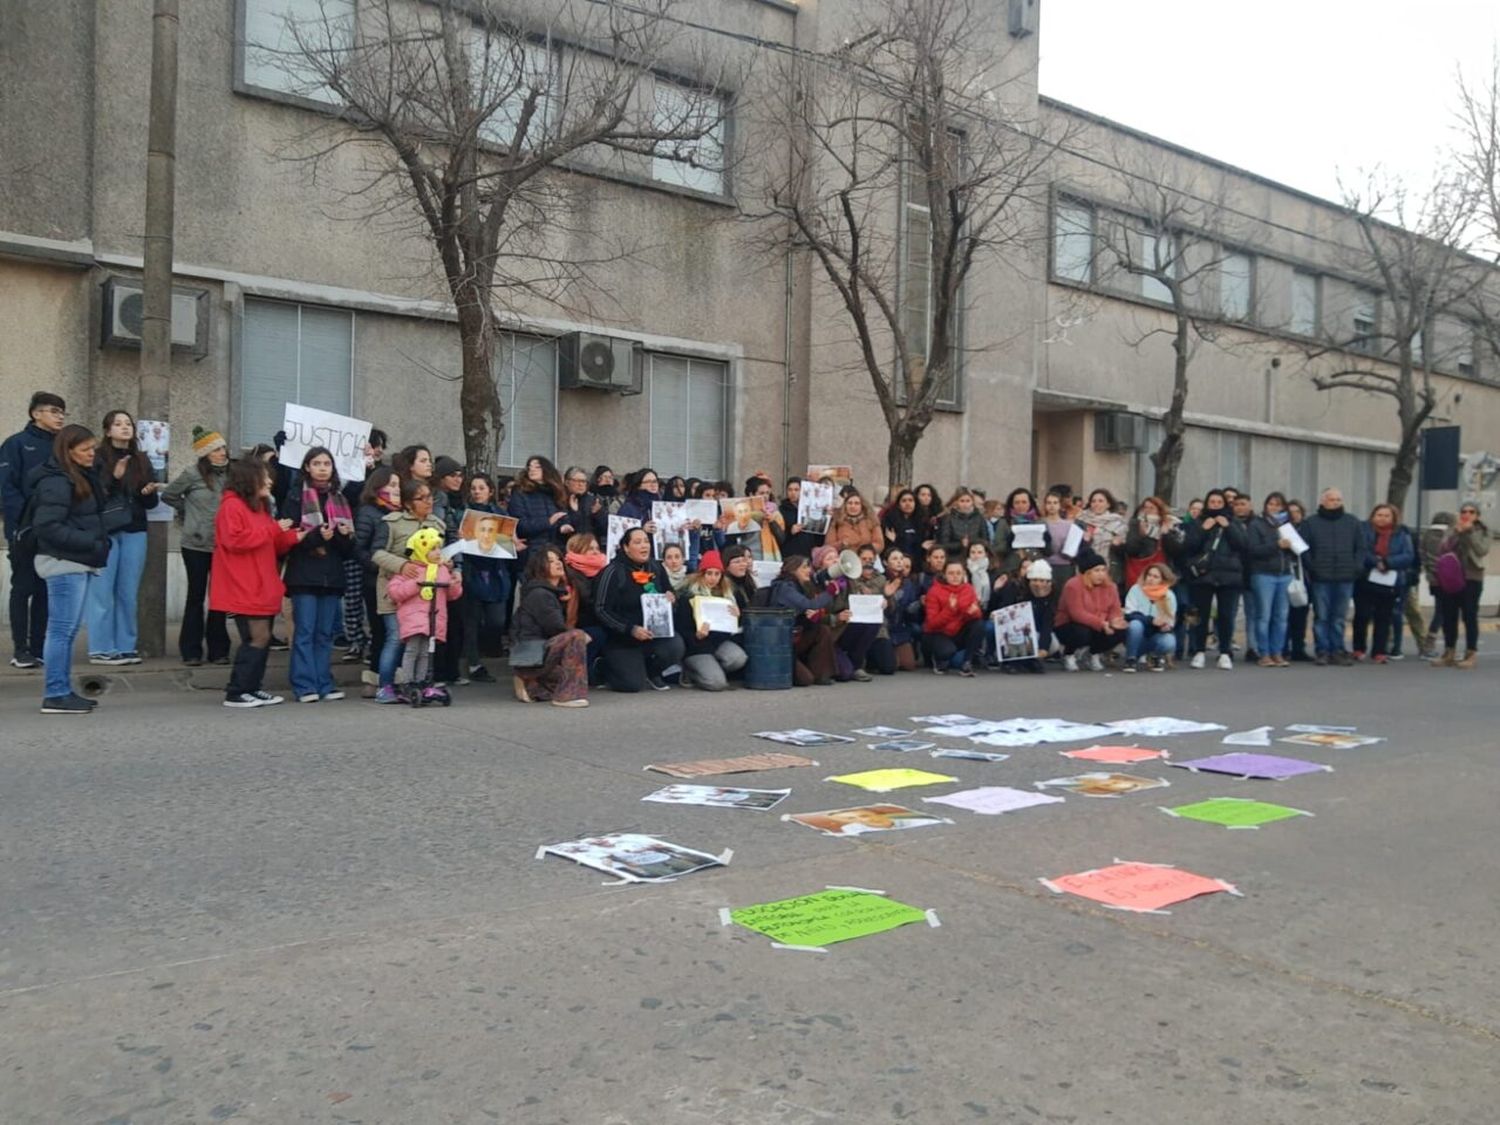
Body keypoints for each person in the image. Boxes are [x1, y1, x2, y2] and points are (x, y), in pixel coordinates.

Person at [28, 424, 110, 713]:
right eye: (86, 449)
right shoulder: (57, 482)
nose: (92, 453)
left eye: (93, 448)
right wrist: (91, 541)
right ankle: (56, 693)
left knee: (67, 631)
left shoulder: (79, 475)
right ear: (68, 451)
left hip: (78, 560)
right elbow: (47, 526)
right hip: (64, 562)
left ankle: (61, 690)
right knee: (61, 631)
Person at [211, 458, 304, 708]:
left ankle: (252, 687)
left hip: (261, 582)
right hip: (243, 583)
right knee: (257, 637)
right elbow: (235, 541)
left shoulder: (258, 507)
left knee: (261, 637)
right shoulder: (231, 506)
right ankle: (237, 691)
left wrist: (293, 536)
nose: (270, 481)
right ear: (249, 479)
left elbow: (270, 543)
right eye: (265, 477)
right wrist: (274, 530)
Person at [80, 410, 161, 665]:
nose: (124, 428)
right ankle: (100, 648)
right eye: (118, 424)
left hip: (135, 528)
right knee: (102, 591)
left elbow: (150, 503)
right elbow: (93, 494)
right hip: (106, 530)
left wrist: (148, 492)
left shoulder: (141, 459)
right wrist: (114, 477)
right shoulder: (98, 457)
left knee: (128, 592)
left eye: (128, 424)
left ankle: (126, 646)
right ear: (107, 430)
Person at [280, 446, 356, 702]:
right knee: (305, 631)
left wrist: (344, 537)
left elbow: (348, 550)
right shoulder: (295, 497)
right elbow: (288, 537)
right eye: (317, 463)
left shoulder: (340, 499)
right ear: (307, 467)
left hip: (331, 575)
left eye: (327, 463)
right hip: (304, 574)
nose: (323, 468)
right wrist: (315, 537)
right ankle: (304, 685)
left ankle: (324, 683)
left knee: (325, 633)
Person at [1, 391, 67, 668]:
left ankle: (39, 647)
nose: (60, 416)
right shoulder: (16, 444)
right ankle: (21, 649)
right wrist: (21, 523)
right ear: (36, 413)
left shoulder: (63, 448)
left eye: (62, 412)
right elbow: (6, 486)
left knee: (45, 589)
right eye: (53, 411)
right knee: (23, 586)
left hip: (55, 531)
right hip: (25, 530)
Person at [370, 478, 446, 702]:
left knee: (422, 641)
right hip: (396, 588)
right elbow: (376, 553)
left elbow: (445, 552)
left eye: (430, 497)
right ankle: (385, 686)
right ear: (408, 503)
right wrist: (403, 565)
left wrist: (452, 566)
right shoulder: (392, 522)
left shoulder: (437, 524)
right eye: (421, 498)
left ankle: (417, 683)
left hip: (425, 596)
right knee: (396, 637)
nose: (428, 502)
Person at [161, 426, 232, 666]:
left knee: (220, 598)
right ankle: (191, 650)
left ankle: (219, 650)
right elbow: (169, 495)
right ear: (205, 454)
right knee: (196, 596)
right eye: (216, 449)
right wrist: (187, 512)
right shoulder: (192, 474)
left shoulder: (231, 476)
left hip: (223, 544)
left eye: (223, 448)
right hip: (196, 544)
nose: (222, 453)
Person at [592, 526, 685, 692]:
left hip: (654, 635)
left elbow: (669, 593)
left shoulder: (656, 567)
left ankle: (652, 671)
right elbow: (601, 610)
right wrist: (630, 629)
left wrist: (672, 599)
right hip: (622, 639)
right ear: (626, 548)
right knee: (632, 685)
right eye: (637, 542)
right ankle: (603, 666)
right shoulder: (613, 571)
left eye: (646, 541)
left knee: (676, 646)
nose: (644, 546)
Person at [387, 527, 463, 703]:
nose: (438, 552)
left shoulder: (442, 569)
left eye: (438, 548)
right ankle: (408, 682)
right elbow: (395, 592)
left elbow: (452, 595)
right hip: (414, 616)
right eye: (432, 549)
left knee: (427, 652)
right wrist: (417, 584)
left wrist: (454, 584)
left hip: (434, 616)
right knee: (413, 649)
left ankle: (423, 681)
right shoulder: (411, 570)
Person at [511, 545, 590, 706]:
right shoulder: (540, 594)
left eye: (559, 559)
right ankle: (565, 697)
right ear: (540, 567)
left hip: (538, 654)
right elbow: (556, 628)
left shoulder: (554, 592)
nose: (558, 563)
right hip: (531, 655)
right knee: (577, 636)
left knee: (569, 674)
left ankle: (530, 684)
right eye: (550, 561)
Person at [1180, 489, 1248, 670]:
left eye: (1219, 502)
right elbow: (1189, 546)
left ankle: (1225, 652)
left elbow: (1242, 545)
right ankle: (1199, 651)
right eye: (1212, 502)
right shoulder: (1198, 522)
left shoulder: (1234, 522)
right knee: (1200, 615)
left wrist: (1228, 527)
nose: (1216, 505)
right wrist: (1203, 529)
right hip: (1204, 575)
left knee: (1226, 615)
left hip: (1229, 575)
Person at [1299, 487, 1364, 666]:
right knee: (1322, 616)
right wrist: (1312, 568)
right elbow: (1304, 549)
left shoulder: (1352, 522)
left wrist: (1356, 568)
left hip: (1345, 577)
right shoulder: (1310, 523)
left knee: (1339, 617)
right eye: (1331, 499)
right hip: (1321, 577)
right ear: (1322, 501)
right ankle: (1322, 650)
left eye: (1338, 500)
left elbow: (1360, 548)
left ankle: (1337, 649)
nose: (1335, 502)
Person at [352, 466, 400, 695]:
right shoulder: (368, 512)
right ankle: (375, 678)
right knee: (381, 631)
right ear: (378, 486)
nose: (396, 490)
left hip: (400, 581)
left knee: (397, 632)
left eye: (398, 486)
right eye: (392, 485)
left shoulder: (400, 512)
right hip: (375, 581)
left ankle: (393, 676)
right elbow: (359, 548)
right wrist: (378, 566)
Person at [673, 551, 748, 691]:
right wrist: (697, 635)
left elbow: (737, 626)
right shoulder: (688, 596)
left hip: (719, 642)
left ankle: (711, 668)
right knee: (716, 684)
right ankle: (689, 671)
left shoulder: (729, 594)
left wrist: (739, 616)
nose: (713, 578)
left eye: (717, 574)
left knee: (739, 659)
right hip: (696, 647)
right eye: (709, 573)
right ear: (701, 574)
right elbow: (681, 628)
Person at [1351, 503, 1415, 665]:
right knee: (1362, 615)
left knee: (1384, 617)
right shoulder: (1363, 530)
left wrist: (1388, 563)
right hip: (1366, 577)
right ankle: (1358, 648)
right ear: (1373, 516)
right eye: (1379, 515)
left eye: (1387, 516)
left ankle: (1379, 651)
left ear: (1393, 518)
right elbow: (1361, 550)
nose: (1382, 518)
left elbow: (1408, 555)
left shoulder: (1402, 534)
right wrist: (1376, 562)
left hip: (1390, 580)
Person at [1244, 491, 1297, 668]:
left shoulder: (1287, 525)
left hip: (1284, 574)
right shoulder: (1256, 524)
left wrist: (1292, 546)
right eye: (1271, 504)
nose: (1274, 508)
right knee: (1263, 615)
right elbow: (1253, 550)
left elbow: (1298, 549)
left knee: (1281, 617)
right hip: (1263, 574)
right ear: (1266, 506)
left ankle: (1277, 652)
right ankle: (1264, 653)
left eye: (1278, 505)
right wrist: (1276, 545)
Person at [1432, 502, 1489, 668]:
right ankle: (1449, 651)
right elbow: (1443, 548)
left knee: (1469, 615)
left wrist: (1469, 532)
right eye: (1464, 511)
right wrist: (1456, 533)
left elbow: (1481, 550)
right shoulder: (1452, 529)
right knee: (1449, 615)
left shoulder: (1483, 531)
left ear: (1477, 515)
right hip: (1451, 576)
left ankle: (1471, 652)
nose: (1467, 514)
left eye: (1472, 512)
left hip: (1472, 577)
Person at [768, 555, 838, 686]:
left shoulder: (800, 585)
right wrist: (829, 592)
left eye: (809, 567)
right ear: (792, 570)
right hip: (782, 643)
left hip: (795, 635)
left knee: (822, 630)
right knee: (805, 680)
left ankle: (822, 674)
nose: (809, 571)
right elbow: (809, 605)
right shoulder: (785, 587)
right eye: (804, 567)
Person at [1054, 549, 1126, 672]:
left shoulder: (1111, 587)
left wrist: (1114, 621)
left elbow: (1115, 608)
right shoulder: (1073, 585)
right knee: (1082, 632)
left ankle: (1094, 653)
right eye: (1096, 571)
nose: (1101, 574)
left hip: (1100, 624)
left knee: (1120, 631)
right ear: (1087, 572)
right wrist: (1102, 624)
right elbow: (1077, 613)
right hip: (1069, 624)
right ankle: (1069, 654)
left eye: (1103, 570)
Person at [921, 558, 985, 676]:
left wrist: (974, 612)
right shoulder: (934, 591)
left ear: (963, 575)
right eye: (951, 573)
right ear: (944, 575)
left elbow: (974, 614)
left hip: (958, 631)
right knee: (947, 651)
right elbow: (932, 624)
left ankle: (967, 662)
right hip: (938, 633)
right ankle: (939, 659)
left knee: (979, 624)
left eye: (958, 573)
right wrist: (950, 609)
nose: (955, 576)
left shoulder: (968, 589)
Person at [991, 559, 1056, 674]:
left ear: (1048, 582)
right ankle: (1010, 661)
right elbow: (1005, 609)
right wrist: (997, 614)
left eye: (1042, 581)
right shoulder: (1015, 588)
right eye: (1034, 580)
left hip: (1035, 630)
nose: (1038, 584)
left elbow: (1048, 623)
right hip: (1012, 628)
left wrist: (1043, 648)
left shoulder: (1051, 595)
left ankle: (1031, 659)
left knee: (1053, 644)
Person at [508, 455, 573, 559]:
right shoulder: (520, 492)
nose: (532, 469)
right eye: (529, 467)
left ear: (546, 470)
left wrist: (564, 526)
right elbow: (519, 524)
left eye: (537, 467)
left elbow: (562, 515)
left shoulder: (556, 492)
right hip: (531, 552)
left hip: (555, 550)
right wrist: (548, 522)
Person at [1123, 562, 1178, 672]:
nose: (1151, 579)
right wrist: (1151, 620)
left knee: (1169, 641)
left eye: (1155, 577)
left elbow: (1170, 620)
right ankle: (1131, 659)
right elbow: (1130, 614)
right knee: (1135, 625)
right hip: (1135, 635)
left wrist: (1165, 626)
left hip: (1155, 634)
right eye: (1149, 575)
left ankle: (1154, 657)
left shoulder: (1169, 595)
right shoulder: (1136, 589)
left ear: (1163, 580)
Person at [1122, 496, 1178, 590]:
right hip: (1139, 570)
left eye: (1151, 508)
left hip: (1161, 570)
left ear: (1159, 510)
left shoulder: (1167, 524)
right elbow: (1131, 550)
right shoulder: (1135, 524)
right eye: (1145, 507)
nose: (1147, 510)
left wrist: (1166, 535)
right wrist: (1141, 536)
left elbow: (1174, 550)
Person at [880, 547, 922, 671]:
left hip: (900, 629)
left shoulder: (908, 583)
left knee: (909, 665)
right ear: (885, 562)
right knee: (892, 665)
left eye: (901, 559)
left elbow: (910, 612)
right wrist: (887, 596)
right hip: (884, 629)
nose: (899, 561)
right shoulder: (881, 580)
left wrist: (918, 604)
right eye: (894, 559)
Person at [993, 487, 1049, 576]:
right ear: (1012, 505)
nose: (1020, 505)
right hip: (1012, 568)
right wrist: (1010, 542)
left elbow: (1049, 551)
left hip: (1036, 567)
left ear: (1030, 503)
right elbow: (997, 548)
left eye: (1024, 502)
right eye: (1017, 502)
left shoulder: (1040, 522)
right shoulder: (1004, 522)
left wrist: (1047, 540)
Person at [1283, 499, 1312, 662]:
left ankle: (1298, 647)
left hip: (1304, 576)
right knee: (1284, 614)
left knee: (1301, 613)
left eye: (1297, 512)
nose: (1294, 515)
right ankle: (1283, 647)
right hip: (1286, 574)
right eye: (1290, 512)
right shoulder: (1281, 531)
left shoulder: (1308, 529)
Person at [1078, 488, 1127, 583]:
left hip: (1109, 567)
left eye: (1101, 501)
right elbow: (1074, 548)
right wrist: (1085, 541)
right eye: (1093, 501)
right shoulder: (1081, 520)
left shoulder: (1118, 523)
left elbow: (1124, 550)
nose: (1097, 504)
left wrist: (1117, 544)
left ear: (1108, 504)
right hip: (1086, 568)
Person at [935, 487, 991, 556]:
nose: (965, 504)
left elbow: (986, 540)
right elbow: (943, 544)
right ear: (956, 502)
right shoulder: (948, 519)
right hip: (955, 557)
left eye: (968, 501)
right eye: (962, 501)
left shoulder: (979, 518)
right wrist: (960, 544)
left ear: (972, 502)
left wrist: (973, 544)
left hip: (975, 556)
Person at [779, 476, 822, 561]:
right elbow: (778, 534)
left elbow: (818, 534)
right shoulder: (782, 509)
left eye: (796, 490)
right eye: (790, 490)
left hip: (807, 551)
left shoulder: (811, 507)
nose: (793, 493)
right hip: (790, 552)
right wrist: (790, 531)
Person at [1040, 491, 1077, 587]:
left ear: (1060, 505)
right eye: (1049, 503)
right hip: (1044, 564)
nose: (1052, 506)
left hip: (1064, 566)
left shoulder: (1069, 525)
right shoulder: (1039, 524)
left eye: (1055, 503)